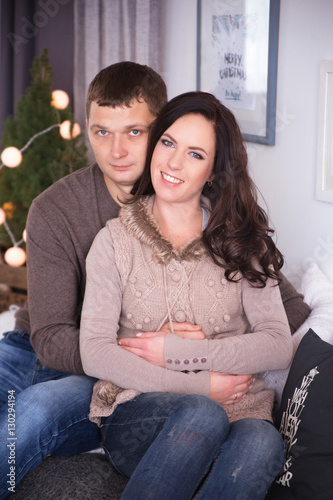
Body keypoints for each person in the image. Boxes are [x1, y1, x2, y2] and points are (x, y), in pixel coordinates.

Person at [0, 61, 309, 498]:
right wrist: (157, 354)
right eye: (101, 132)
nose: (117, 151)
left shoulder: (228, 224)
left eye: (134, 132)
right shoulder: (71, 216)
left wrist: (191, 351)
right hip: (53, 352)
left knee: (260, 442)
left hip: (164, 380)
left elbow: (286, 319)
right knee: (26, 414)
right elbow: (59, 340)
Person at [79, 91, 298, 499]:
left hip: (241, 409)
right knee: (201, 413)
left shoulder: (243, 243)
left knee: (263, 443)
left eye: (196, 154)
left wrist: (178, 353)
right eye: (168, 143)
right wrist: (199, 388)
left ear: (214, 172)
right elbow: (94, 351)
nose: (174, 163)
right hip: (139, 410)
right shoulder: (114, 242)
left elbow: (277, 345)